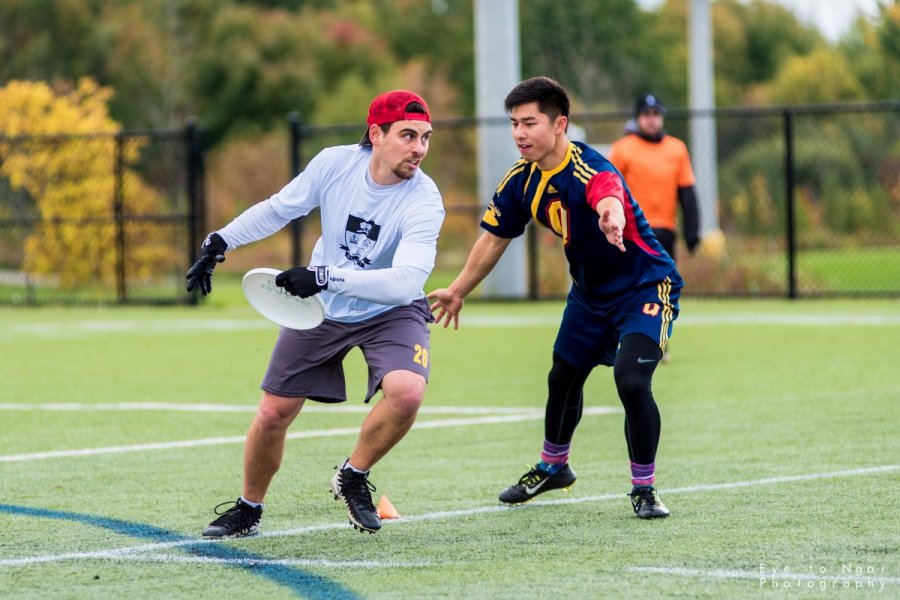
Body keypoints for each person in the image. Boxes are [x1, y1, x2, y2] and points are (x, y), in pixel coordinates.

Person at [186, 90, 444, 535]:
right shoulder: (334, 164)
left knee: (407, 392)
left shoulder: (425, 199)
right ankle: (248, 509)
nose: (419, 148)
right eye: (408, 135)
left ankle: (353, 476)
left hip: (391, 308)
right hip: (323, 309)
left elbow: (404, 281)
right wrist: (220, 240)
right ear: (376, 134)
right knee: (274, 413)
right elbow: (279, 208)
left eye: (425, 137)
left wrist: (325, 275)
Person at [428, 77, 681, 519]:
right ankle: (553, 467)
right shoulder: (521, 181)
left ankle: (644, 488)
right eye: (514, 124)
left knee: (632, 381)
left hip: (644, 287)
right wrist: (457, 290)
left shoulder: (588, 166)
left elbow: (609, 193)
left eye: (530, 123)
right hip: (589, 295)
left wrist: (611, 216)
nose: (519, 133)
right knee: (562, 377)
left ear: (560, 123)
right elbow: (492, 241)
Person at [609, 94, 699, 362]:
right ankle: (621, 339)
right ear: (637, 119)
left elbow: (688, 192)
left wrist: (692, 230)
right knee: (627, 286)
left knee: (660, 288)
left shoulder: (676, 149)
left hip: (663, 230)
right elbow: (609, 189)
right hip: (630, 231)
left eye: (656, 114)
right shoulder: (623, 149)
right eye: (646, 114)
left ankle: (659, 343)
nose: (652, 119)